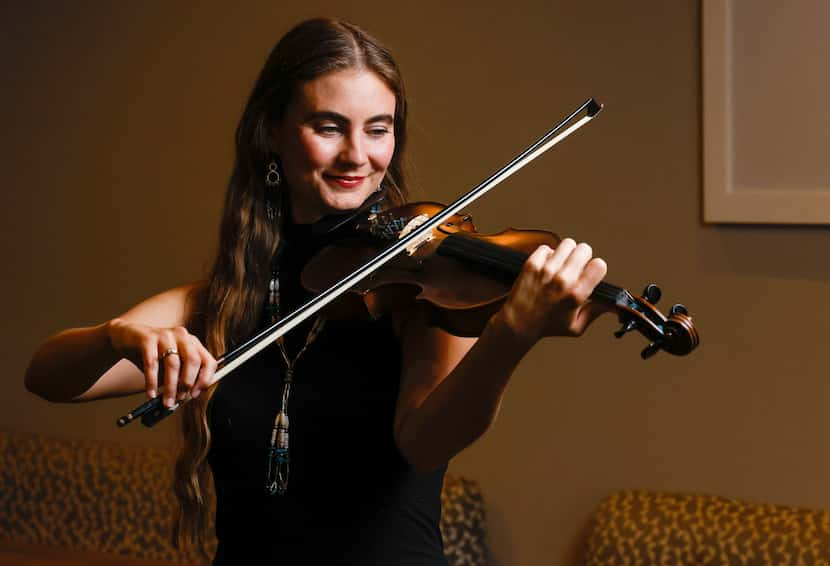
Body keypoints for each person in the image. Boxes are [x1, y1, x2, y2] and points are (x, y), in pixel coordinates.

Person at [24, 17, 608, 565]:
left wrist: (511, 335)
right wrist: (115, 336)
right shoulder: (223, 302)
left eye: (378, 129)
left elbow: (426, 445)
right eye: (328, 127)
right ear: (272, 133)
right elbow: (48, 377)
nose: (358, 155)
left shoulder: (421, 291)